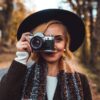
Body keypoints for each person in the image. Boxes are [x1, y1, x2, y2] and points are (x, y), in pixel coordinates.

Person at [0, 9, 92, 100]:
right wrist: (21, 57)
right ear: (36, 43)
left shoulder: (81, 81)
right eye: (45, 40)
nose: (52, 46)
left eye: (58, 39)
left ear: (66, 44)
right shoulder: (20, 77)